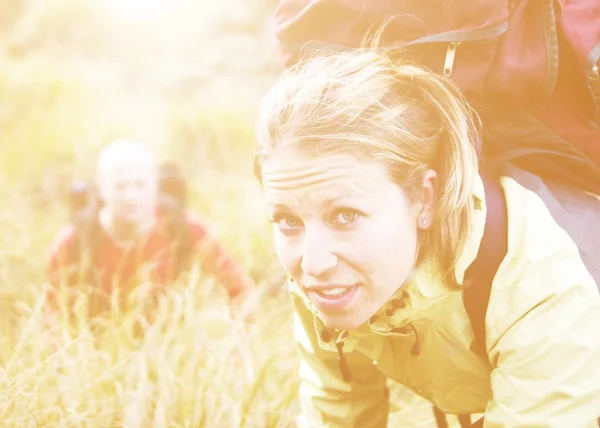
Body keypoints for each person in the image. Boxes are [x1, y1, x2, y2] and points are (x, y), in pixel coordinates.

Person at [253, 50, 600, 427]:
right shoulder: (327, 275)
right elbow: (337, 410)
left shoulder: (538, 289)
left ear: (424, 198)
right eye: (287, 221)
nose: (313, 263)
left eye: (346, 216)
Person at [46, 139, 249, 319]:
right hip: (99, 350)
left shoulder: (187, 230)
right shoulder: (73, 243)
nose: (130, 197)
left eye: (140, 184)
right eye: (120, 186)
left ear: (155, 183)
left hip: (172, 348)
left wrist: (239, 346)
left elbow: (239, 290)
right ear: (101, 188)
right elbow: (50, 314)